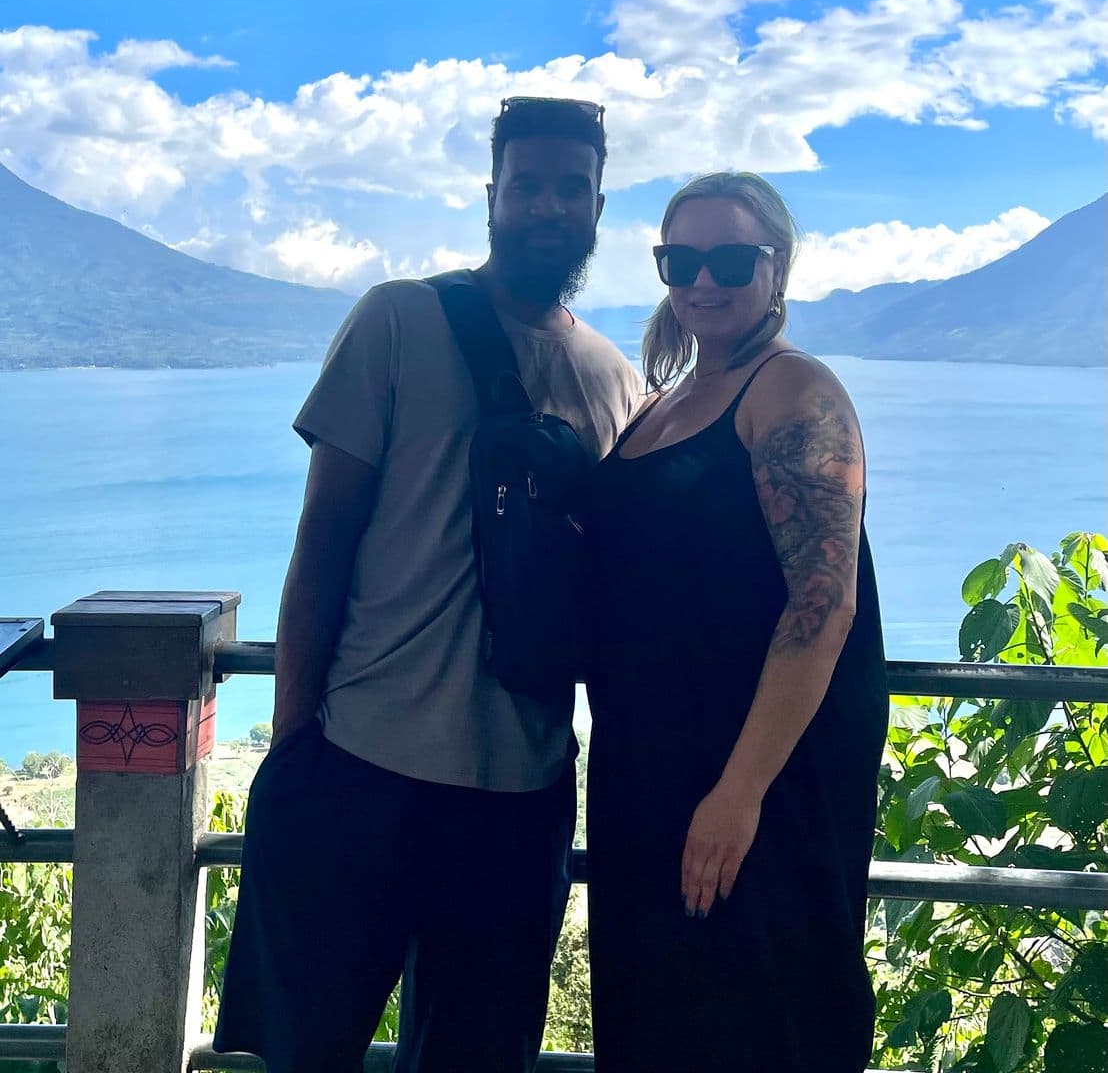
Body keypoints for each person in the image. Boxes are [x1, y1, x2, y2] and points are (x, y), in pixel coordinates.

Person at [215, 95, 640, 1073]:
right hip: (360, 764)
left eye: (568, 187)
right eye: (526, 182)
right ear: (491, 194)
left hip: (520, 794)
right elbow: (322, 538)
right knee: (305, 1051)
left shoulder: (614, 382)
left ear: (597, 207)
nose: (546, 205)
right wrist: (293, 754)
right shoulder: (399, 318)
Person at [584, 171, 887, 1073]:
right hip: (650, 773)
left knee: (758, 1015)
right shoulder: (668, 397)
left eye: (729, 259)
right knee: (659, 1016)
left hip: (755, 781)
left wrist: (739, 793)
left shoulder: (792, 391)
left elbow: (823, 606)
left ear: (777, 266)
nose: (702, 280)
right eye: (681, 259)